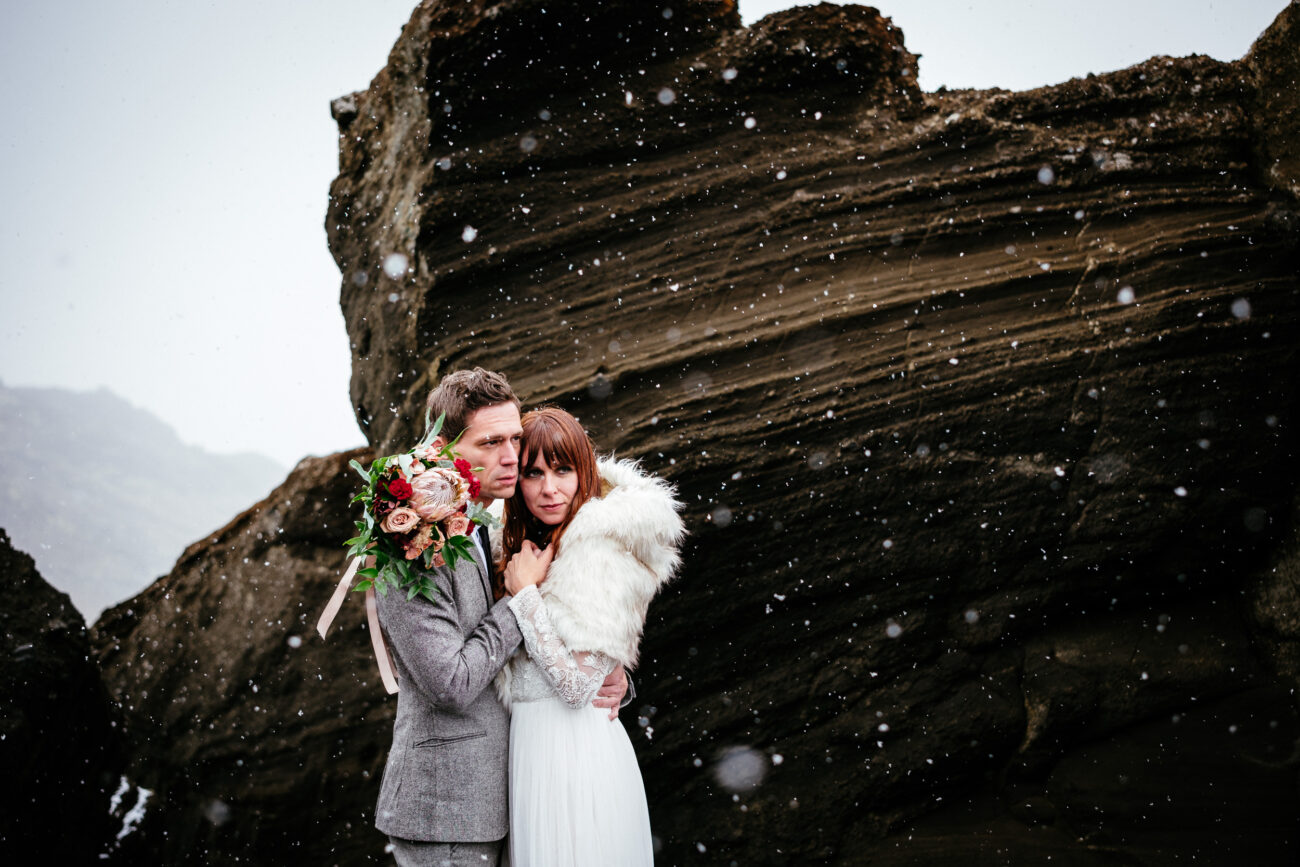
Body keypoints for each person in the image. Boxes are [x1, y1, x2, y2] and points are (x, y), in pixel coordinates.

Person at [373, 369, 627, 866]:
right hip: (445, 809)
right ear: (443, 448)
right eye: (491, 442)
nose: (510, 456)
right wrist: (520, 599)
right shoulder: (407, 548)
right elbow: (450, 682)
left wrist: (608, 669)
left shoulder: (484, 526)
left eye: (514, 438)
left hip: (514, 792)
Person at [497, 407, 686, 867]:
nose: (549, 488)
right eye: (533, 473)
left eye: (563, 470)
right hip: (530, 752)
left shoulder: (602, 547)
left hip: (575, 755)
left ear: (585, 470)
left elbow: (577, 686)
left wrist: (524, 598)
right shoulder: (529, 541)